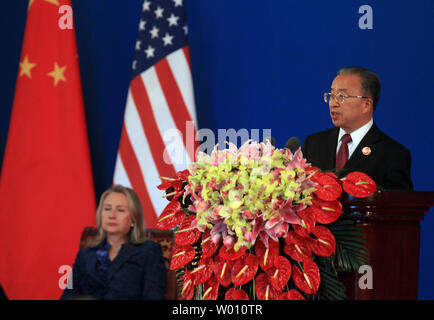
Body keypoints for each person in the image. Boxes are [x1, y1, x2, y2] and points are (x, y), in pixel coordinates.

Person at [302, 66, 413, 190]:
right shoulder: (313, 144)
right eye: (332, 95)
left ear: (366, 104)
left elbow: (397, 205)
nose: (333, 103)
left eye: (342, 96)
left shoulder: (393, 155)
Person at [60, 185, 167, 300]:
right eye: (107, 209)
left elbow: (154, 296)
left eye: (120, 210)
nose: (112, 215)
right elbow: (67, 295)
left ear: (133, 219)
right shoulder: (85, 255)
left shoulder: (149, 251)